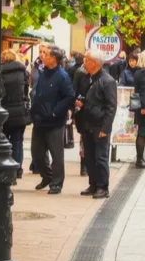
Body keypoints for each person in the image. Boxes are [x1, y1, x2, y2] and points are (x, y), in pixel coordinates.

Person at [30, 46, 75, 195]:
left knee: (56, 154)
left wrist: (55, 112)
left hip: (54, 122)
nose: (43, 56)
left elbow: (69, 96)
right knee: (37, 153)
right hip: (39, 120)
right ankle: (47, 176)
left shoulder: (62, 76)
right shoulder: (43, 73)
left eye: (46, 54)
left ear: (53, 59)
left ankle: (56, 183)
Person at [76, 51, 117, 197]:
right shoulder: (88, 78)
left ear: (94, 63)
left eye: (86, 60)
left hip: (99, 125)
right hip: (87, 123)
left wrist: (105, 128)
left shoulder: (107, 81)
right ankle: (92, 184)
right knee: (89, 157)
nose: (83, 62)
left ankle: (102, 187)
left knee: (100, 157)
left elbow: (111, 107)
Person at [0, 48, 31, 179]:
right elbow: (26, 91)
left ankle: (6, 167)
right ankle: (17, 168)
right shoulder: (23, 72)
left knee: (4, 140)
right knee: (18, 141)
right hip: (19, 110)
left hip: (4, 110)